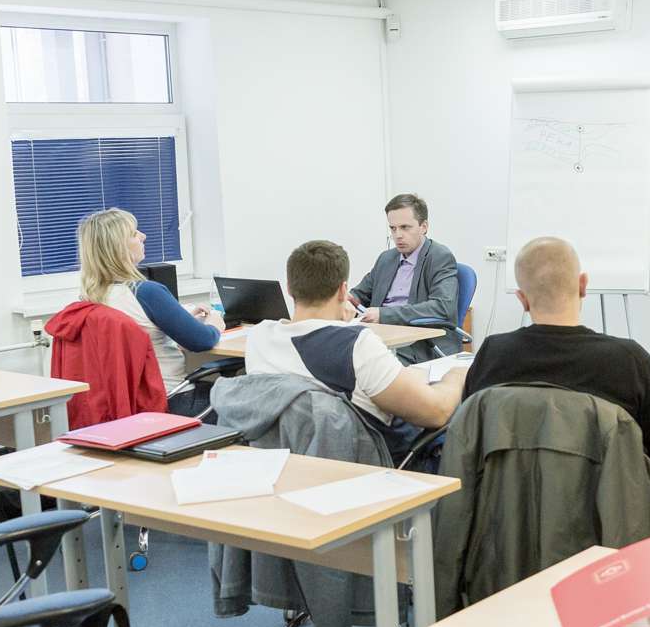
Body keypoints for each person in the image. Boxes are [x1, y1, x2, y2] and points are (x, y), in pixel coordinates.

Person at [462, 237, 650, 563]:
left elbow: (471, 441)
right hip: (609, 522)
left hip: (510, 523)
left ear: (522, 299)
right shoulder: (627, 359)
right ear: (583, 285)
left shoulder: (492, 353)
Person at [248, 238, 467, 454]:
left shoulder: (260, 336)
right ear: (343, 291)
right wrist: (456, 376)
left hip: (290, 456)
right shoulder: (355, 344)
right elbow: (437, 412)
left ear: (289, 288)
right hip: (375, 456)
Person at [75, 207, 221, 411]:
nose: (143, 236)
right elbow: (202, 340)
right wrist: (215, 323)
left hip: (127, 404)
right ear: (119, 248)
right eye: (134, 233)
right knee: (248, 398)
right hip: (171, 399)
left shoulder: (89, 298)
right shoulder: (146, 292)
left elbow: (137, 335)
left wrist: (179, 320)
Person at [349, 193, 461, 363]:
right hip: (380, 335)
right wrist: (345, 302)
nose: (398, 235)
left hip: (419, 343)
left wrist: (383, 315)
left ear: (424, 227)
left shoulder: (440, 257)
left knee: (365, 362)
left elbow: (443, 307)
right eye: (393, 228)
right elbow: (359, 294)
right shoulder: (386, 258)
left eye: (405, 227)